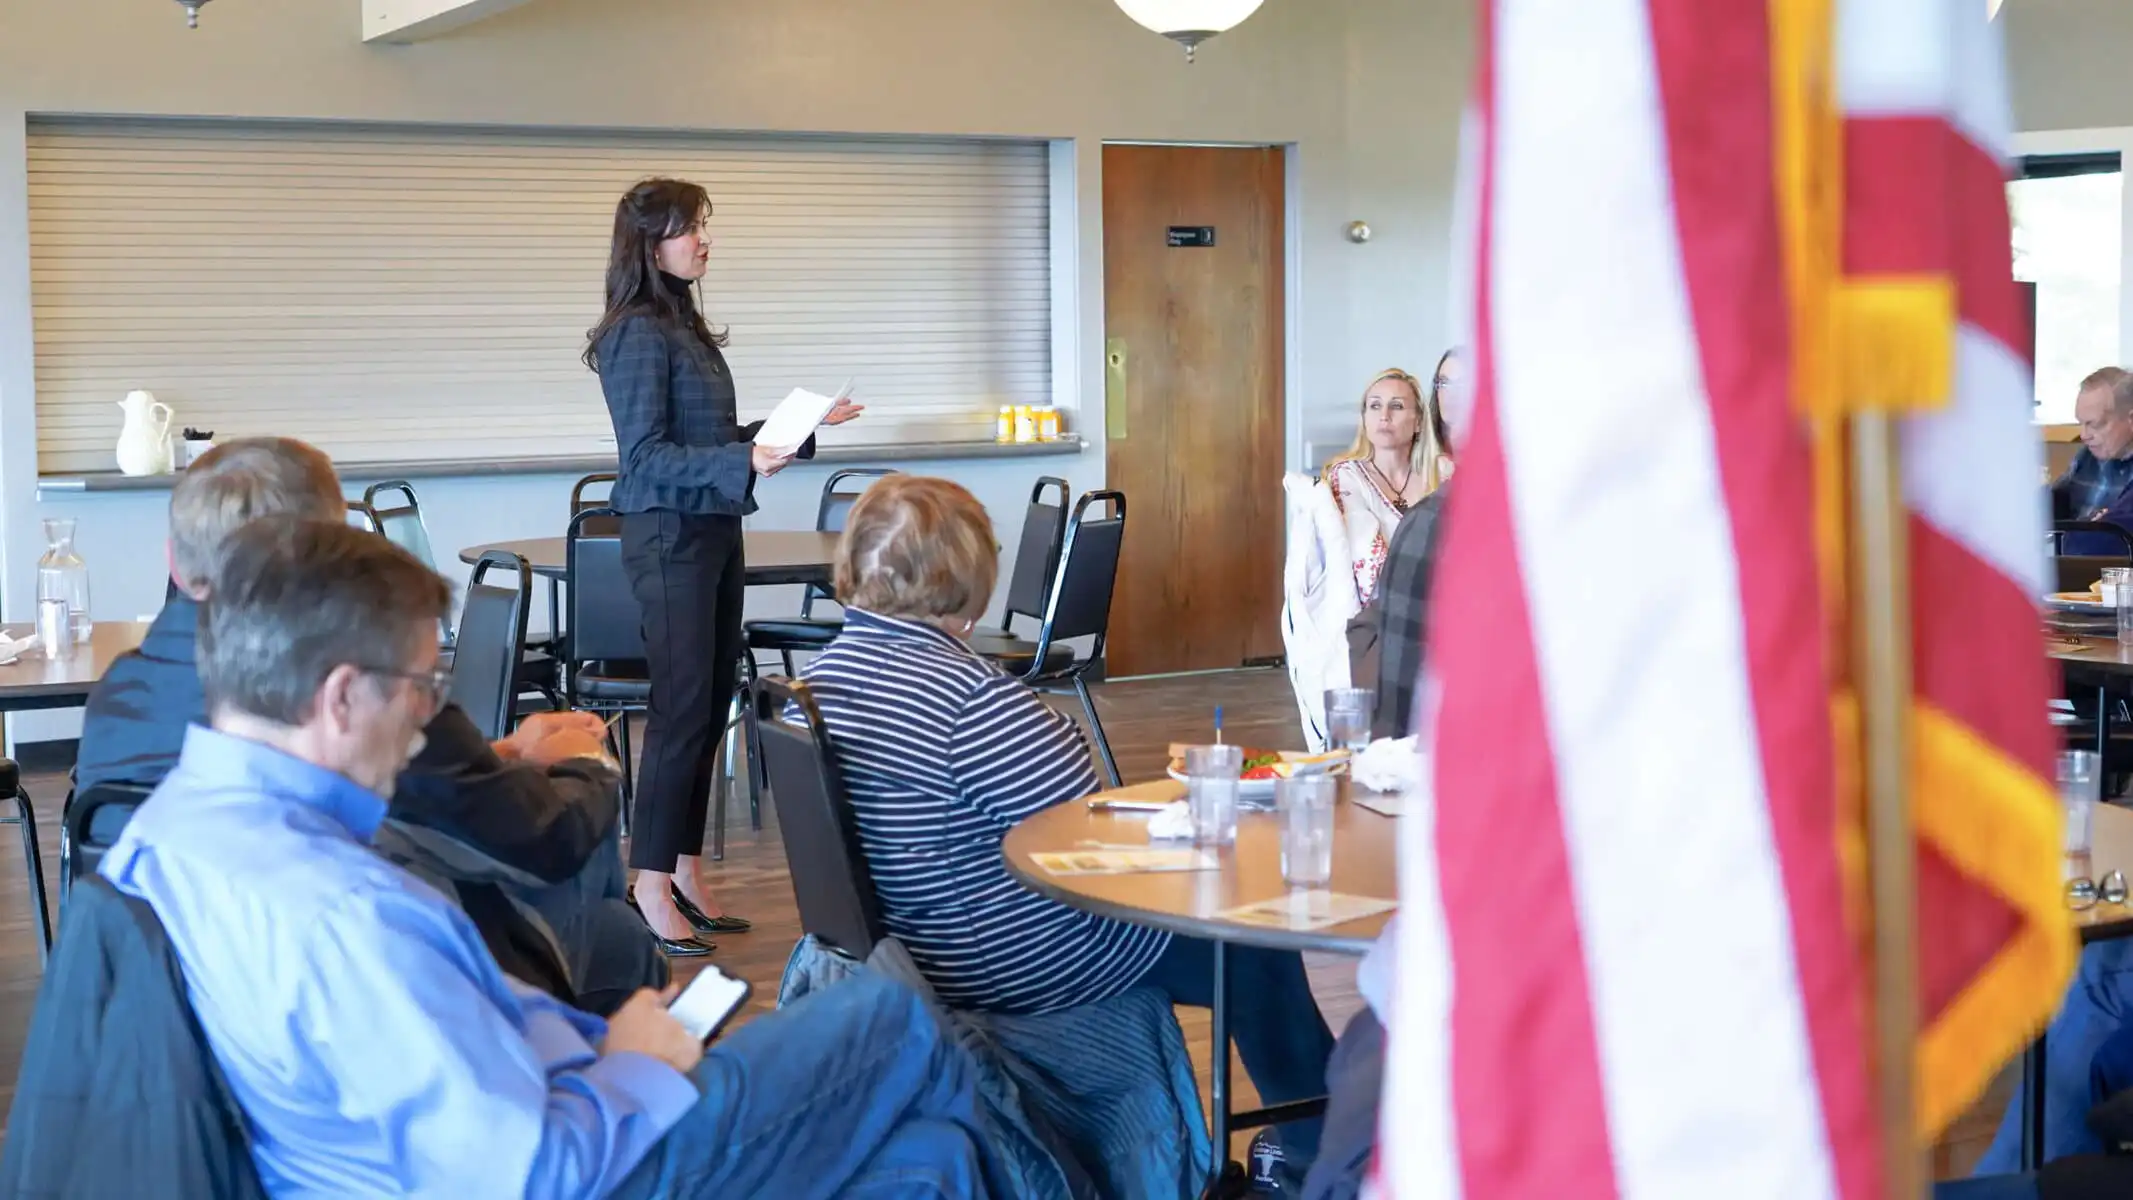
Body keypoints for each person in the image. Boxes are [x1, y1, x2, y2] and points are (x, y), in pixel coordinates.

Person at [102, 515, 1010, 1197]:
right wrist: (636, 1061)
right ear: (341, 697)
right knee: (893, 1016)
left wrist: (588, 1044)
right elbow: (532, 1172)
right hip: (592, 1154)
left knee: (930, 1159)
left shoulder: (177, 825)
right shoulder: (344, 911)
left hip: (538, 1096)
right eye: (423, 685)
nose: (430, 716)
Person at [798, 474, 1336, 1183]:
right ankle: (1322, 1154)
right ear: (965, 573)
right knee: (1251, 947)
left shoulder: (825, 672)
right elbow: (1085, 837)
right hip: (1007, 955)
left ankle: (1312, 1145)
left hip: (914, 940)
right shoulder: (968, 701)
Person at [75, 437, 662, 1014]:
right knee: (619, 934)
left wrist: (506, 751)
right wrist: (589, 763)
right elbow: (536, 839)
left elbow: (432, 790)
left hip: (159, 996)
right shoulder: (357, 695)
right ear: (325, 559)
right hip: (354, 988)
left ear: (173, 559)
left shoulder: (118, 693)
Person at [585, 177, 862, 946]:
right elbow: (644, 459)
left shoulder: (683, 326)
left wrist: (794, 430)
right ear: (649, 243)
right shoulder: (635, 332)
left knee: (708, 706)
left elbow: (708, 436)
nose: (703, 241)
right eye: (688, 230)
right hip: (668, 535)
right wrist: (745, 460)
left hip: (708, 527)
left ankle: (682, 868)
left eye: (704, 227)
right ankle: (646, 884)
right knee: (677, 714)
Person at [1320, 355, 1457, 605]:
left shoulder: (1443, 472)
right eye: (1374, 406)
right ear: (1364, 419)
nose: (1384, 415)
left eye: (1396, 406)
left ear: (1417, 421)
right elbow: (1367, 570)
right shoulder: (1347, 476)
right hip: (1380, 619)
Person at [2051, 367, 2133, 555]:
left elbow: (2107, 544)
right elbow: (2051, 504)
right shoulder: (2087, 457)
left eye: (2094, 424)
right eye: (2081, 423)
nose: (2084, 435)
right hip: (2071, 571)